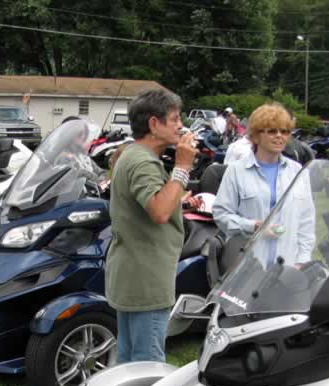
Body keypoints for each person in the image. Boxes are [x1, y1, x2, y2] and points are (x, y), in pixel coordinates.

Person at [105, 89, 202, 364]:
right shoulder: (143, 161)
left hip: (132, 273)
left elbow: (148, 206)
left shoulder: (132, 155)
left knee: (128, 360)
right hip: (146, 278)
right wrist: (182, 167)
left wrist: (179, 202)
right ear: (153, 124)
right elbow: (159, 212)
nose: (180, 125)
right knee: (146, 365)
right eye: (174, 119)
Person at [213, 102, 315, 268]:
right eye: (272, 131)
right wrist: (253, 226)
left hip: (287, 266)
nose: (279, 136)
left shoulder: (298, 172)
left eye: (285, 131)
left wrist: (302, 260)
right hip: (248, 265)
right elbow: (221, 215)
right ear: (255, 136)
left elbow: (306, 221)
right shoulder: (236, 171)